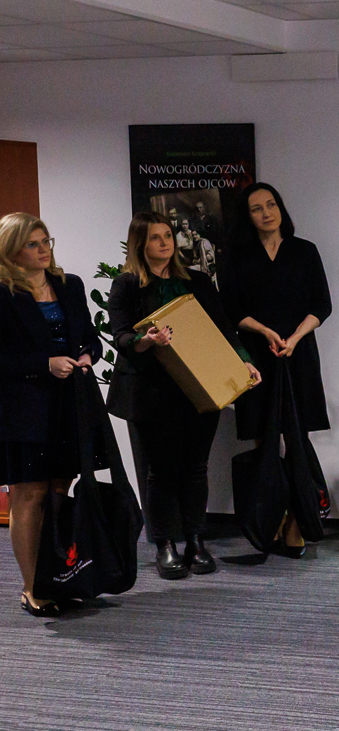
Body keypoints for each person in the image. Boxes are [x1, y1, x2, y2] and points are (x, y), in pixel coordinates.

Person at [107, 212, 261, 579]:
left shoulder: (197, 281)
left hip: (199, 387)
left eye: (168, 236)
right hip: (152, 393)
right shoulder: (126, 285)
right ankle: (165, 544)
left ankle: (195, 540)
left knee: (195, 467)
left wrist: (244, 361)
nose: (165, 243)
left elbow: (223, 328)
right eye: (155, 237)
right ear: (139, 244)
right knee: (161, 471)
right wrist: (146, 340)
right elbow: (121, 337)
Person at [223, 182, 333, 558]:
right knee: (263, 439)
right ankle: (270, 517)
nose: (266, 213)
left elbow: (322, 304)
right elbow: (232, 310)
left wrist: (295, 337)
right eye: (257, 208)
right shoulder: (236, 256)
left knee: (298, 438)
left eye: (271, 205)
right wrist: (266, 332)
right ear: (248, 216)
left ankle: (296, 523)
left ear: (281, 208)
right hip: (256, 355)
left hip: (298, 353)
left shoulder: (305, 251)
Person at [0, 214, 102, 617]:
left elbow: (89, 336)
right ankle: (32, 588)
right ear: (12, 251)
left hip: (69, 403)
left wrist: (87, 355)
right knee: (30, 495)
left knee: (60, 489)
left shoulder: (69, 284)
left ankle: (59, 578)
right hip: (24, 408)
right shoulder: (4, 293)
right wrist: (43, 364)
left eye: (46, 241)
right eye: (33, 244)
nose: (44, 250)